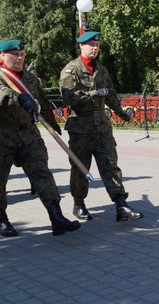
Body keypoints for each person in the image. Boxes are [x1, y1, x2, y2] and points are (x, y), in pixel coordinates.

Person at [0, 39, 80, 237]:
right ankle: (0, 218)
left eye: (22, 54)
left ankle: (56, 216)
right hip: (2, 136)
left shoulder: (29, 78)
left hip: (29, 135)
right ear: (0, 56)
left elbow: (42, 101)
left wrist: (53, 124)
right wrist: (19, 98)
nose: (19, 58)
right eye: (14, 54)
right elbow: (0, 93)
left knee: (42, 174)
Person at [59, 31, 141, 221]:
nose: (94, 48)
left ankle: (121, 204)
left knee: (111, 166)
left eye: (96, 45)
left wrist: (122, 113)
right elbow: (68, 98)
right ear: (81, 46)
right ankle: (78, 203)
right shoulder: (71, 70)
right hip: (80, 128)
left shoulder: (101, 70)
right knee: (81, 168)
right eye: (90, 45)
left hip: (102, 127)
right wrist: (94, 94)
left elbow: (110, 94)